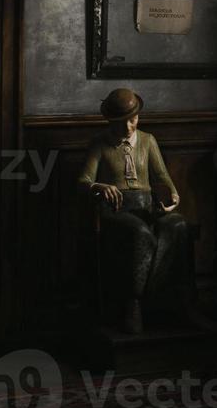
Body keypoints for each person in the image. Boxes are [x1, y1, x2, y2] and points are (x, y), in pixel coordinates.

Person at [79, 88, 189, 333]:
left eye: (133, 119)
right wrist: (100, 186)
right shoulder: (100, 144)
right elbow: (83, 180)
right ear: (110, 121)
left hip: (146, 205)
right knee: (140, 232)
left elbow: (162, 176)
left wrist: (172, 195)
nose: (129, 126)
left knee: (178, 224)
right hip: (116, 210)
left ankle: (179, 301)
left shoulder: (148, 141)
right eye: (122, 122)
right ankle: (135, 303)